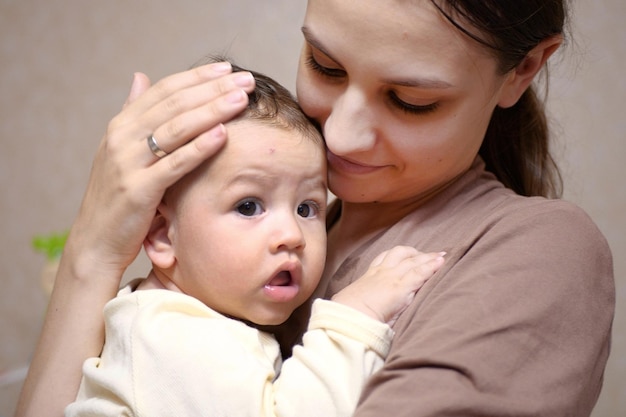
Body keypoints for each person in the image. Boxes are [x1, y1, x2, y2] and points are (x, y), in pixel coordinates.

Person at [17, 1, 615, 417]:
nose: (342, 139)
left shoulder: (535, 253)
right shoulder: (197, 300)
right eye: (325, 67)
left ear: (526, 69)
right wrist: (94, 251)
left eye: (411, 101)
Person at [63, 62, 445, 417]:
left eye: (307, 208)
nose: (292, 236)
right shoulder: (168, 336)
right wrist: (356, 315)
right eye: (248, 206)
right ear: (163, 236)